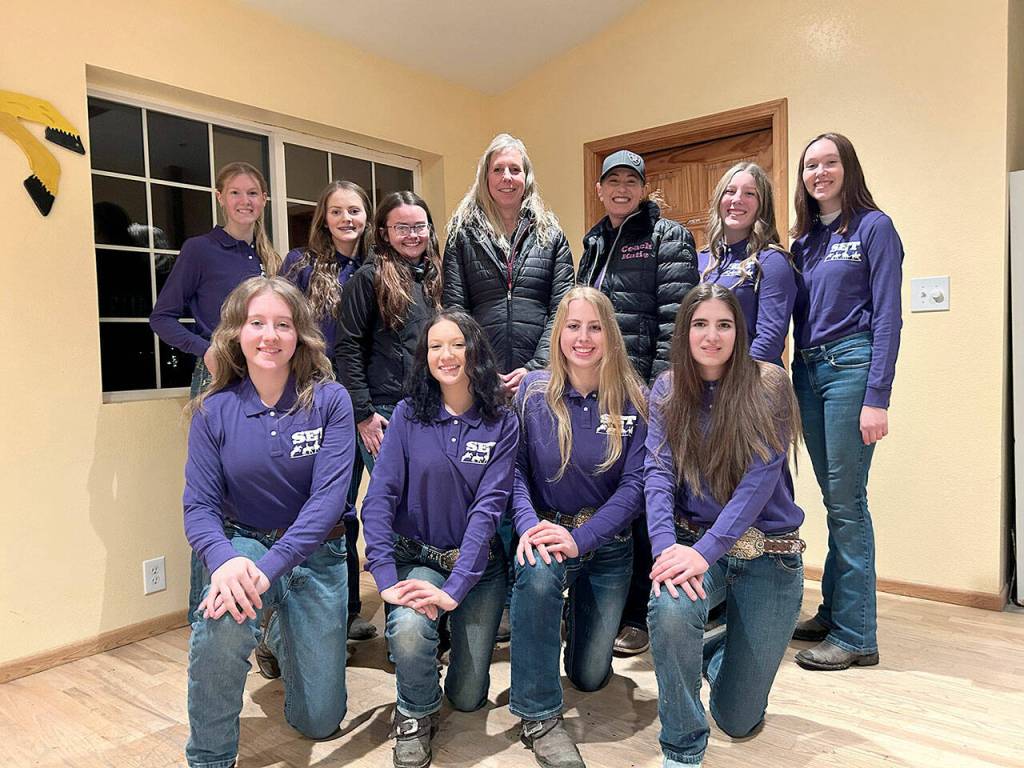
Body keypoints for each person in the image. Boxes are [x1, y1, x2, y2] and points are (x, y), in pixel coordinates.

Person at [183, 276, 355, 768]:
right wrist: (224, 562)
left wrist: (268, 570)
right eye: (257, 323)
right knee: (221, 617)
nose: (269, 335)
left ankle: (276, 631)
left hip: (319, 553)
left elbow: (327, 501)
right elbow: (199, 507)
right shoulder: (214, 411)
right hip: (246, 546)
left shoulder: (329, 401)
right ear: (238, 331)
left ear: (299, 334)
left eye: (282, 324)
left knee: (319, 721)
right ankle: (210, 757)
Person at [645, 283, 805, 768]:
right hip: (696, 547)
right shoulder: (667, 388)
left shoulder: (769, 384)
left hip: (769, 555)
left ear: (739, 330)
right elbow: (655, 474)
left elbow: (758, 484)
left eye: (724, 324)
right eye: (700, 324)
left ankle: (714, 646)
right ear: (685, 332)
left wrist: (702, 552)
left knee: (739, 718)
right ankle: (682, 745)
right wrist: (666, 551)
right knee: (669, 607)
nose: (711, 336)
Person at [362, 310, 518, 768]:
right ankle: (413, 711)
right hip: (417, 555)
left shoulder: (501, 422)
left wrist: (452, 591)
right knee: (409, 632)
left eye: (456, 344)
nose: (446, 355)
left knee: (469, 698)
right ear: (424, 356)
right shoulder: (410, 414)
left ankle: (442, 645)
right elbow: (379, 498)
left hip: (477, 566)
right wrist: (386, 578)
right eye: (435, 346)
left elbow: (487, 513)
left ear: (475, 351)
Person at [443, 133, 575, 640]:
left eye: (515, 170)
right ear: (486, 175)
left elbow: (562, 305)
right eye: (498, 169)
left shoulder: (550, 233)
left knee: (538, 480)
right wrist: (484, 368)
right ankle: (493, 597)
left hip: (540, 381)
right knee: (490, 488)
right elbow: (455, 308)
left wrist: (537, 365)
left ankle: (540, 586)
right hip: (484, 381)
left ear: (527, 177)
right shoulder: (463, 233)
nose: (506, 178)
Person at [510, 287, 648, 768]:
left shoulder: (634, 399)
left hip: (608, 546)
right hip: (547, 534)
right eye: (573, 327)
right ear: (558, 333)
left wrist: (581, 538)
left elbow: (634, 489)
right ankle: (538, 715)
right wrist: (529, 527)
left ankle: (571, 626)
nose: (583, 338)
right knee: (537, 577)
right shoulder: (532, 393)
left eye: (594, 327)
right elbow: (514, 471)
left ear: (610, 334)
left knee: (590, 678)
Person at [788, 132, 903, 671]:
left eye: (829, 162)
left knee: (847, 501)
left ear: (847, 168)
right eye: (811, 165)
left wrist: (876, 397)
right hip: (807, 374)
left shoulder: (874, 228)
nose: (819, 173)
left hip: (852, 370)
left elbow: (887, 318)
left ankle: (857, 635)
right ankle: (835, 612)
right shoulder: (804, 242)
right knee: (835, 495)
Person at [577, 148, 699, 656]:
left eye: (632, 180)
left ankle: (641, 614)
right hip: (600, 390)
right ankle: (597, 605)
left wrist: (661, 390)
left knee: (651, 499)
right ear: (600, 189)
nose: (621, 189)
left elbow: (678, 317)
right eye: (613, 181)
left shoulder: (667, 237)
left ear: (644, 187)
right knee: (611, 494)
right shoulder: (593, 242)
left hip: (645, 391)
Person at [150, 160, 281, 618]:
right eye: (236, 193)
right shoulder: (199, 250)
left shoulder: (268, 258)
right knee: (213, 497)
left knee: (260, 490)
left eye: (253, 194)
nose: (245, 201)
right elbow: (161, 317)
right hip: (220, 379)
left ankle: (256, 613)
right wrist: (204, 348)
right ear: (221, 197)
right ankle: (202, 612)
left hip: (266, 381)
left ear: (264, 201)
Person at [282, 180, 376, 643]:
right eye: (337, 212)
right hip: (311, 398)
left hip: (360, 401)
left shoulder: (378, 266)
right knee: (322, 503)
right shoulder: (300, 265)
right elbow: (287, 326)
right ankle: (309, 612)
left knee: (352, 506)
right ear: (323, 217)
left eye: (355, 211)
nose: (347, 220)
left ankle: (350, 608)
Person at [334, 190, 442, 470]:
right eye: (402, 228)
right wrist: (364, 415)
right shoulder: (368, 278)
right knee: (395, 501)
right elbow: (348, 348)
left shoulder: (436, 277)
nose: (412, 235)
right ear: (384, 233)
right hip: (384, 412)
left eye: (419, 227)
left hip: (432, 405)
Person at [698, 162, 796, 365]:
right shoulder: (700, 259)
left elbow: (769, 339)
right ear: (719, 200)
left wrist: (734, 383)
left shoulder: (771, 260)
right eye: (730, 191)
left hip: (752, 381)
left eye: (749, 194)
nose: (737, 200)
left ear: (763, 204)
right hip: (703, 382)